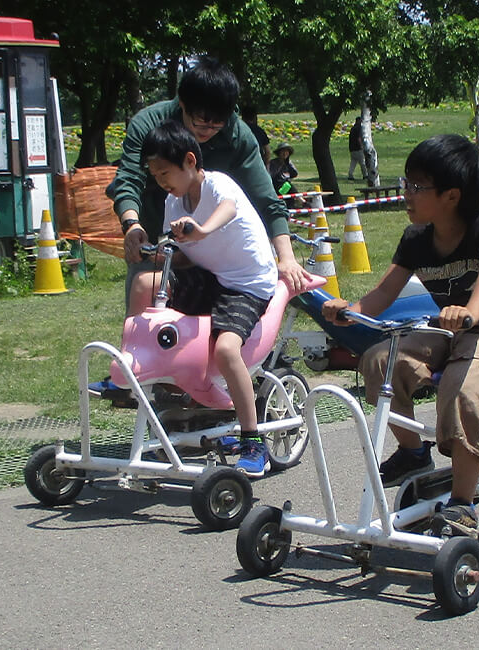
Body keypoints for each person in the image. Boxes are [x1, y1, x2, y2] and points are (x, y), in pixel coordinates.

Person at [321, 134, 479, 539]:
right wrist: (350, 310)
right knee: (381, 359)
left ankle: (463, 504)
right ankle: (413, 453)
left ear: (451, 195)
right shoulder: (417, 238)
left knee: (466, 386)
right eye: (406, 183)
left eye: (417, 187)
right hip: (452, 332)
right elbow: (383, 293)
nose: (406, 194)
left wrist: (469, 312)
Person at [131, 120, 278, 477]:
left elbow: (225, 212)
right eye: (155, 174)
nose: (161, 181)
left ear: (190, 161)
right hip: (211, 277)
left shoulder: (218, 185)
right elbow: (184, 254)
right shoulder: (173, 202)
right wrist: (158, 254)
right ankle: (137, 367)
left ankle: (253, 440)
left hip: (246, 284)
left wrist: (202, 230)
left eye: (165, 172)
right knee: (144, 284)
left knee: (226, 349)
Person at [107, 57, 309, 313]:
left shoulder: (238, 135)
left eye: (218, 124)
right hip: (159, 236)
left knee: (216, 329)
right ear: (182, 105)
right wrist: (132, 225)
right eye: (200, 123)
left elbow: (266, 200)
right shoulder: (148, 125)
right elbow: (129, 180)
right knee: (147, 298)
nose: (208, 131)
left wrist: (287, 258)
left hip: (223, 249)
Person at [348, 116, 367, 181]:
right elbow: (359, 138)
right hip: (358, 148)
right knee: (362, 162)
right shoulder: (359, 128)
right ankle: (365, 175)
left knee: (353, 162)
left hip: (352, 148)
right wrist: (361, 146)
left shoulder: (352, 128)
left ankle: (350, 174)